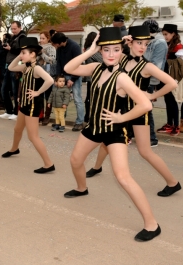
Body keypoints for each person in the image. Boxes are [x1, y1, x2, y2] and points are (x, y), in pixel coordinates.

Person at [63, 27, 160, 242]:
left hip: (114, 132)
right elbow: (69, 67)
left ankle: (152, 224)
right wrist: (91, 50)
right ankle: (81, 188)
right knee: (75, 160)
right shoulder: (96, 67)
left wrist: (121, 118)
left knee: (123, 178)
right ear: (101, 51)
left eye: (116, 50)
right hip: (93, 128)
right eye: (106, 50)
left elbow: (145, 105)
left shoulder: (122, 77)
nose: (111, 54)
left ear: (121, 51)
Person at [85, 25, 181, 197]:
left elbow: (172, 83)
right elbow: (111, 50)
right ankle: (96, 167)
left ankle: (173, 182)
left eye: (145, 44)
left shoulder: (147, 66)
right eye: (138, 43)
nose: (143, 47)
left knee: (145, 152)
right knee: (107, 140)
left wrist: (152, 96)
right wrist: (122, 41)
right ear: (130, 43)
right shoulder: (121, 58)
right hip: (119, 111)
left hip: (137, 113)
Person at [1, 37, 55, 173]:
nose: (21, 55)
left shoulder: (36, 68)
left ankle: (49, 164)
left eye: (24, 52)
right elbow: (12, 67)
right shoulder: (26, 67)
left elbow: (50, 80)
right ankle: (14, 149)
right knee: (17, 129)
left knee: (33, 136)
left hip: (32, 106)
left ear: (33, 54)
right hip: (24, 104)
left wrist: (38, 92)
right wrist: (19, 56)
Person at [142, 19, 167, 145]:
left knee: (146, 108)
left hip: (150, 80)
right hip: (143, 77)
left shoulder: (159, 43)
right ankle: (136, 134)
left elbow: (155, 65)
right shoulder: (150, 40)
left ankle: (152, 138)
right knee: (141, 107)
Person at [51, 32, 83, 131]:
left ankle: (79, 122)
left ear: (61, 42)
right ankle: (61, 120)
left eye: (56, 44)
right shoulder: (59, 48)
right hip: (63, 75)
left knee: (77, 99)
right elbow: (59, 63)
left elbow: (79, 64)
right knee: (61, 97)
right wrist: (58, 78)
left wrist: (73, 79)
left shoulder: (75, 47)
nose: (55, 46)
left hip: (75, 76)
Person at [156, 24, 183, 136]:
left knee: (172, 102)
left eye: (166, 34)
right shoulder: (168, 45)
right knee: (168, 101)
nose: (165, 37)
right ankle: (169, 123)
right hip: (165, 77)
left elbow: (181, 66)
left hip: (173, 78)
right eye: (164, 35)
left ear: (173, 34)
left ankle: (175, 125)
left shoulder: (178, 47)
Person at [0, 21, 26, 120]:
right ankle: (8, 110)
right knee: (4, 89)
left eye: (15, 28)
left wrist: (10, 48)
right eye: (12, 29)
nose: (13, 30)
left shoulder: (22, 37)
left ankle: (16, 112)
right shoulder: (13, 37)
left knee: (15, 90)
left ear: (20, 27)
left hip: (16, 66)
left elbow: (22, 51)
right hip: (8, 65)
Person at [83, 32, 103, 123]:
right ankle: (89, 117)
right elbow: (102, 60)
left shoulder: (88, 49)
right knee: (92, 99)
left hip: (91, 78)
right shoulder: (92, 51)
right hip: (94, 78)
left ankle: (88, 117)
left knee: (89, 98)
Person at [38, 31, 56, 125]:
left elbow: (52, 60)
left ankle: (47, 116)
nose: (41, 40)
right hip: (38, 74)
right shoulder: (38, 48)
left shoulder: (51, 48)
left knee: (48, 96)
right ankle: (40, 115)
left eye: (43, 38)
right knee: (39, 95)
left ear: (48, 39)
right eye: (40, 38)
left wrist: (42, 54)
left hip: (48, 74)